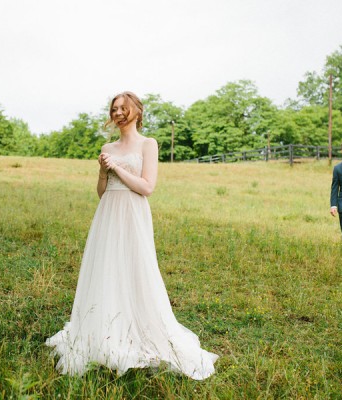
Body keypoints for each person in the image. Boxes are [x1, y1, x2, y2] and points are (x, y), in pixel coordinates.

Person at [46, 91, 218, 380]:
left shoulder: (148, 144)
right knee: (107, 269)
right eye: (114, 109)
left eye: (124, 108)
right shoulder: (107, 146)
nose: (118, 113)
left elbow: (147, 187)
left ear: (137, 111)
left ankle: (140, 328)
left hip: (134, 214)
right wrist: (103, 171)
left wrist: (117, 168)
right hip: (108, 214)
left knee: (136, 269)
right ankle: (105, 328)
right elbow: (103, 192)